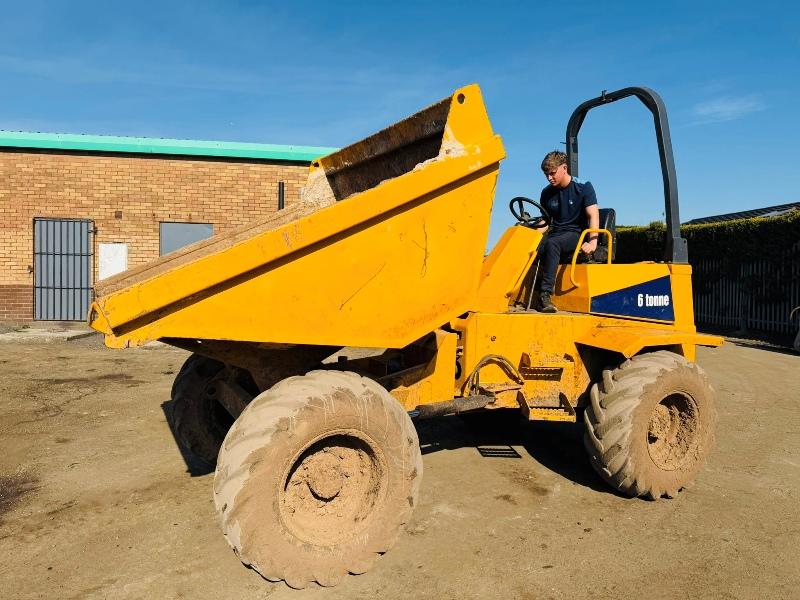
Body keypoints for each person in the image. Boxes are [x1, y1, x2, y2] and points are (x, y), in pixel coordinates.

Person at [534, 150, 600, 313]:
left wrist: (592, 242)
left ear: (564, 168)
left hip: (576, 234)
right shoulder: (546, 193)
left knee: (552, 243)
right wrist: (531, 235)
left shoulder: (583, 187)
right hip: (556, 232)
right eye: (546, 175)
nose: (549, 178)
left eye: (552, 173)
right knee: (530, 244)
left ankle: (545, 295)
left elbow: (593, 215)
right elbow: (546, 221)